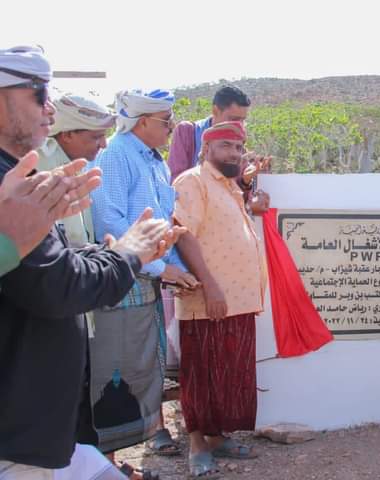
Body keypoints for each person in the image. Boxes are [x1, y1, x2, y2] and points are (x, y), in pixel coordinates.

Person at [0, 44, 184, 480]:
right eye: (37, 93)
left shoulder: (17, 174)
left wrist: (109, 253)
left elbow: (40, 264)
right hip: (18, 438)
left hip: (38, 431)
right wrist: (128, 251)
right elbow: (58, 286)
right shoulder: (10, 182)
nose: (49, 108)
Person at [89, 88, 199, 458]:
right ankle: (106, 457)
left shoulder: (156, 162)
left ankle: (142, 435)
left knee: (143, 359)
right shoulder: (116, 156)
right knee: (111, 368)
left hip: (146, 279)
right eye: (166, 122)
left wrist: (174, 271)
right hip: (121, 277)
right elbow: (110, 222)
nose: (171, 128)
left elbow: (165, 224)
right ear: (142, 122)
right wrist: (160, 266)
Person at [173, 121, 267, 478]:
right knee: (200, 374)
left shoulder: (230, 186)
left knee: (227, 376)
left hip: (238, 301)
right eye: (226, 146)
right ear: (205, 149)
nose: (234, 153)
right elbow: (184, 235)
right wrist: (211, 286)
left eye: (239, 148)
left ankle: (218, 437)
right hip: (208, 300)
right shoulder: (192, 181)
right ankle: (198, 445)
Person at [36, 93, 115, 246]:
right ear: (67, 135)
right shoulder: (41, 164)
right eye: (96, 137)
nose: (104, 144)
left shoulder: (76, 161)